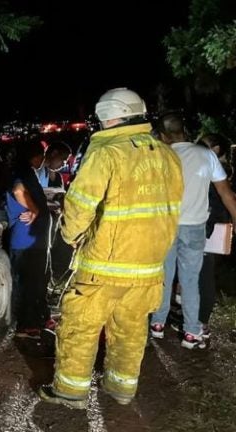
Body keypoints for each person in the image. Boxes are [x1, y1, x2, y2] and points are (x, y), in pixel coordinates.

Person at [38, 88, 183, 409]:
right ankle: (121, 387)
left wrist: (70, 235)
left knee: (79, 324)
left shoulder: (106, 154)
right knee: (130, 329)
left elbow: (79, 206)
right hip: (149, 266)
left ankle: (70, 390)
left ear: (110, 115)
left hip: (105, 264)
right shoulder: (167, 155)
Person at [150, 122, 236, 348]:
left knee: (163, 277)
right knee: (189, 280)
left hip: (165, 224)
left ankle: (157, 324)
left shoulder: (161, 154)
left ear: (164, 135)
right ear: (184, 131)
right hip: (195, 227)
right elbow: (226, 193)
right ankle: (191, 332)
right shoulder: (206, 154)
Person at [6, 139, 54, 339]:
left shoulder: (27, 172)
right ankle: (26, 324)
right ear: (34, 156)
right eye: (41, 155)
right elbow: (18, 191)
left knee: (36, 281)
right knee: (28, 283)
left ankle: (38, 318)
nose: (43, 159)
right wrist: (34, 210)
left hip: (32, 240)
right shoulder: (22, 173)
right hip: (26, 240)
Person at [195, 133, 233, 338]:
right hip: (206, 227)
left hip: (207, 228)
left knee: (204, 275)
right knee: (202, 274)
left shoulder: (218, 171)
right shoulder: (218, 169)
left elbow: (219, 202)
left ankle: (201, 322)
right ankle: (198, 319)